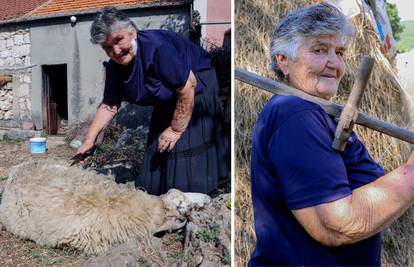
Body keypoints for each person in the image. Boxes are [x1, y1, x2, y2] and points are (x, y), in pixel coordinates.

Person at [249, 3, 414, 266]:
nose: (334, 63)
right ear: (283, 60)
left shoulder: (316, 113)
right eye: (319, 50)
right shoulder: (295, 115)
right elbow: (336, 224)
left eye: (339, 52)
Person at [78, 7, 229, 195]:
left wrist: (175, 129)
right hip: (168, 94)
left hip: (196, 84)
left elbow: (187, 86)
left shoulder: (157, 47)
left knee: (183, 150)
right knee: (157, 159)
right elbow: (109, 105)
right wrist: (89, 140)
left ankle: (197, 194)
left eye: (119, 40)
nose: (116, 51)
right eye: (108, 47)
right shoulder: (115, 66)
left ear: (132, 31)